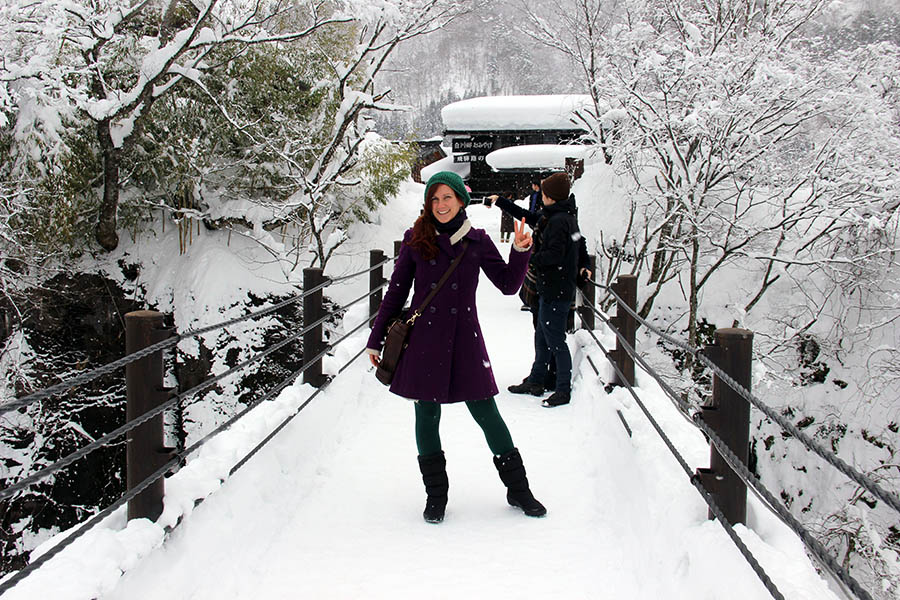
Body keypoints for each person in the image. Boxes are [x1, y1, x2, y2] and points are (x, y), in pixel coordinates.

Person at [366, 171, 546, 524]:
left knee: (487, 414)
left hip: (465, 341)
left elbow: (509, 285)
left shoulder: (476, 241)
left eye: (448, 197)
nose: (441, 205)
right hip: (424, 343)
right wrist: (375, 339)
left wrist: (520, 251)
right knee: (426, 415)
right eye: (435, 199)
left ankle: (519, 489)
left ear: (461, 200)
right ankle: (436, 495)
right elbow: (395, 295)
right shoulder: (415, 240)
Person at [487, 172, 587, 407]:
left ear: (550, 197)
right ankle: (536, 379)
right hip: (549, 288)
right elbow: (529, 217)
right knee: (542, 337)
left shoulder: (560, 221)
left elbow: (556, 254)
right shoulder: (556, 216)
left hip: (557, 289)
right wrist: (501, 201)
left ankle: (562, 389)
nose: (540, 196)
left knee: (555, 340)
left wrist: (530, 257)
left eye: (543, 193)